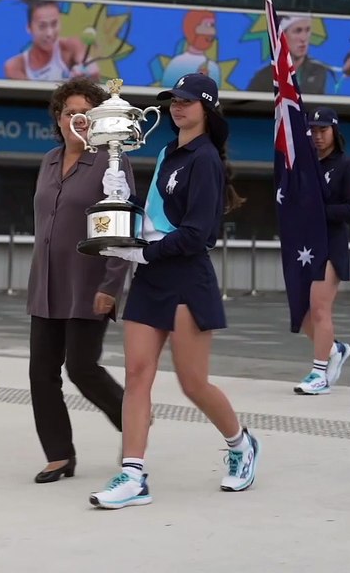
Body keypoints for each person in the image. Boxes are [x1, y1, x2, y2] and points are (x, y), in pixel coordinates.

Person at [87, 73, 257, 510]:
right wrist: (124, 207)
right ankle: (133, 474)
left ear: (207, 108)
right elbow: (157, 221)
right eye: (172, 101)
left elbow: (198, 235)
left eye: (186, 101)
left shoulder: (206, 161)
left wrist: (144, 252)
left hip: (185, 278)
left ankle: (241, 446)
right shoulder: (167, 152)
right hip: (153, 277)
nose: (177, 107)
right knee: (137, 376)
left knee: (192, 382)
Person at [25, 77, 131, 483]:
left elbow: (121, 228)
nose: (77, 120)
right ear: (59, 117)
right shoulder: (49, 161)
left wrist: (112, 285)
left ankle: (132, 420)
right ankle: (59, 456)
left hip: (88, 283)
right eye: (70, 112)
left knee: (83, 368)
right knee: (41, 372)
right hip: (46, 285)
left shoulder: (110, 163)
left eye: (86, 113)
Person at [293, 106, 350, 395]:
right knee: (300, 312)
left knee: (320, 308)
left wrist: (317, 211)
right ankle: (334, 348)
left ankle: (319, 373)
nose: (317, 135)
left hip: (331, 245)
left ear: (335, 131)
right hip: (303, 246)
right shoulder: (304, 165)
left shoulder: (347, 165)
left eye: (323, 129)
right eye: (313, 130)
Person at [3, 0, 99, 82]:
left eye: (54, 24)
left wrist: (87, 72)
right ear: (29, 28)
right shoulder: (14, 67)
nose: (50, 33)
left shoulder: (72, 45)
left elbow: (93, 71)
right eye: (42, 26)